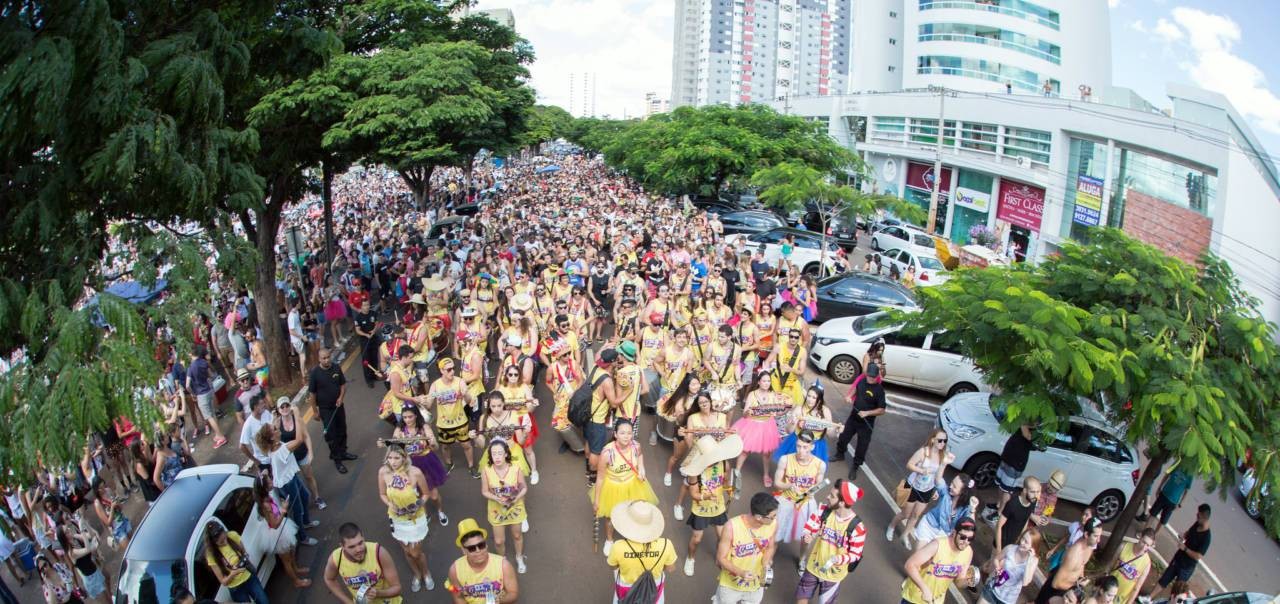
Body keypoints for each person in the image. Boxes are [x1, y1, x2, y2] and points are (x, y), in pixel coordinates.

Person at [679, 433, 744, 577]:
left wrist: (729, 490)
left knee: (723, 537)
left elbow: (726, 481)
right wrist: (705, 496)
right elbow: (693, 494)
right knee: (697, 539)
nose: (714, 460)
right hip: (701, 509)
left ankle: (720, 559)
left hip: (718, 507)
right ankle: (690, 558)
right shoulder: (694, 471)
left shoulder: (724, 464)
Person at [796, 479, 866, 604]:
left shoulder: (858, 528)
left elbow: (855, 555)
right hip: (813, 566)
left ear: (842, 502)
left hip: (834, 575)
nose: (827, 497)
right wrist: (808, 534)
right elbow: (810, 526)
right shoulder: (823, 510)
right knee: (801, 597)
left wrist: (839, 559)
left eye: (832, 496)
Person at [377, 444, 434, 592]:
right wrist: (390, 504)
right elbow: (382, 494)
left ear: (404, 457)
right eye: (390, 458)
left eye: (397, 457)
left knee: (416, 552)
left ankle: (426, 573)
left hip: (416, 518)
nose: (393, 461)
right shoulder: (383, 472)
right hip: (397, 519)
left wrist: (418, 504)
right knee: (407, 551)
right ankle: (417, 574)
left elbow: (426, 493)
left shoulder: (415, 472)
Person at [887, 429, 953, 549]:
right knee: (906, 514)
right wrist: (921, 470)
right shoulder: (923, 452)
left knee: (916, 515)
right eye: (940, 440)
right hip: (913, 486)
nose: (942, 443)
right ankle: (891, 526)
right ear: (933, 440)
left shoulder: (942, 456)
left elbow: (940, 475)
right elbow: (909, 464)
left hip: (928, 489)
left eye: (945, 441)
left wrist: (937, 490)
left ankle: (905, 535)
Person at [256, 423, 319, 547]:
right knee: (297, 509)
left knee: (305, 496)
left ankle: (306, 522)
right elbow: (300, 439)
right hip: (287, 482)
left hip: (291, 477)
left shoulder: (275, 445)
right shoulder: (280, 450)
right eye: (275, 429)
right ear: (272, 437)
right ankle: (303, 537)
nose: (278, 429)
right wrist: (295, 412)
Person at [714, 492, 778, 604]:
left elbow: (770, 547)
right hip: (730, 586)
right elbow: (721, 558)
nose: (774, 519)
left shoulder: (773, 524)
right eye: (772, 517)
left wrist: (766, 564)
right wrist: (740, 572)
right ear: (758, 517)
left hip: (755, 585)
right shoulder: (731, 526)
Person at [607, 500, 678, 603]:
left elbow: (612, 566)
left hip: (625, 589)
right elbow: (671, 568)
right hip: (654, 588)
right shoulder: (666, 544)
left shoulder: (618, 547)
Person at [772, 432, 828, 558]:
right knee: (775, 534)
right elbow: (777, 483)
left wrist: (809, 492)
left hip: (806, 503)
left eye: (805, 447)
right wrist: (790, 486)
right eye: (798, 446)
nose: (800, 450)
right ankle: (768, 561)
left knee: (807, 536)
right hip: (786, 499)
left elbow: (818, 486)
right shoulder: (785, 459)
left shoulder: (820, 465)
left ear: (812, 447)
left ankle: (802, 559)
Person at [901, 518, 981, 604]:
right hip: (916, 597)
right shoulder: (937, 545)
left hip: (936, 600)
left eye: (970, 539)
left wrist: (967, 581)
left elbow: (959, 582)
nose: (966, 542)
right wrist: (924, 589)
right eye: (963, 537)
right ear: (954, 533)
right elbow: (910, 565)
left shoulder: (968, 552)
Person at [394, 404, 450, 526]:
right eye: (404, 417)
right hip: (410, 465)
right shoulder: (399, 430)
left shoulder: (424, 427)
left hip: (426, 462)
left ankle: (440, 511)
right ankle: (424, 514)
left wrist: (432, 442)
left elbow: (435, 447)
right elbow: (394, 448)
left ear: (416, 416)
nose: (407, 420)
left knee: (434, 495)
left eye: (410, 417)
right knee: (417, 495)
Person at [480, 440, 529, 574]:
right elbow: (484, 491)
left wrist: (515, 498)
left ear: (506, 453)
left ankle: (519, 557)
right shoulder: (486, 471)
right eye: (494, 453)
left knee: (517, 535)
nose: (497, 457)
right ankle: (502, 560)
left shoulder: (516, 468)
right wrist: (497, 498)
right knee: (499, 541)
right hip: (496, 510)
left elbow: (524, 487)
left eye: (500, 453)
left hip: (515, 508)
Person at [250, 477, 309, 588]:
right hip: (277, 533)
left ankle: (296, 568)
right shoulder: (265, 505)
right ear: (264, 487)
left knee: (291, 550)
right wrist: (284, 510)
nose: (272, 482)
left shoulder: (267, 496)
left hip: (283, 528)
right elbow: (274, 525)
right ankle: (296, 581)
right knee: (286, 560)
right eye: (269, 482)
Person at [831, 362, 886, 480]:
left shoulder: (879, 390)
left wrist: (867, 413)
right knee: (843, 437)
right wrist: (849, 396)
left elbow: (882, 410)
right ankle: (840, 454)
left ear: (876, 376)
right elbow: (856, 390)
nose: (870, 378)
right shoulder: (862, 381)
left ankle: (855, 466)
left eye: (872, 377)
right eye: (868, 375)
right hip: (853, 417)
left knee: (862, 446)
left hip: (866, 423)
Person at [323, 522, 403, 604]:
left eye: (360, 543)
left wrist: (378, 593)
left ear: (363, 538)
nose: (359, 550)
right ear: (342, 546)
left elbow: (397, 588)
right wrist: (348, 602)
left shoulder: (379, 553)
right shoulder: (335, 559)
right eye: (352, 547)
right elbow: (329, 579)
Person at [1145, 504, 1211, 602]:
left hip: (1186, 567)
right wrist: (1184, 535)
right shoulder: (1197, 524)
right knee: (1165, 578)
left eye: (1199, 515)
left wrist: (1185, 549)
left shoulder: (1206, 537)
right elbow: (1189, 532)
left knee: (1178, 589)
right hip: (1178, 558)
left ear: (1205, 518)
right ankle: (1149, 597)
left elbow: (1198, 556)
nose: (1196, 516)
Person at [732, 371, 787, 488]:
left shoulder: (773, 395)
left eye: (768, 381)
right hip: (752, 424)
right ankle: (737, 471)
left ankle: (766, 475)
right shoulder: (752, 394)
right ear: (759, 382)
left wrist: (783, 409)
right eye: (764, 381)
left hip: (767, 426)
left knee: (767, 454)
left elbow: (779, 412)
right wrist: (749, 411)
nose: (767, 383)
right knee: (745, 450)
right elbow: (745, 414)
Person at [308, 348, 358, 473]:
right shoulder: (314, 373)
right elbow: (312, 395)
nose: (326, 360)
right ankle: (337, 459)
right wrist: (315, 411)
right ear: (319, 359)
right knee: (331, 435)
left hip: (338, 406)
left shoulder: (336, 367)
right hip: (325, 410)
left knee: (342, 430)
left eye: (328, 357)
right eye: (323, 358)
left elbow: (342, 385)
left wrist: (341, 397)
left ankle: (343, 452)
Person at [446, 518, 519, 603]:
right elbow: (458, 597)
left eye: (481, 545)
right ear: (463, 550)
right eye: (472, 548)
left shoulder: (504, 565)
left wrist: (497, 601)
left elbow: (513, 593)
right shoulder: (455, 570)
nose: (478, 550)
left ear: (486, 545)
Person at [428, 357, 478, 477]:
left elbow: (469, 400)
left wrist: (466, 395)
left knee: (466, 445)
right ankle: (449, 464)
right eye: (449, 370)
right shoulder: (435, 386)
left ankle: (471, 466)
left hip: (460, 421)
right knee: (445, 446)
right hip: (443, 423)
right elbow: (429, 405)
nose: (452, 372)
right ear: (442, 371)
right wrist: (423, 400)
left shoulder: (460, 382)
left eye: (453, 369)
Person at [1036, 517, 1102, 604]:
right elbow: (1055, 584)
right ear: (1086, 535)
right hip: (1054, 592)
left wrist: (1081, 578)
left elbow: (1082, 564)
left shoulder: (1090, 547)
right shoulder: (1074, 554)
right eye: (1096, 536)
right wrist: (1076, 586)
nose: (1099, 540)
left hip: (1067, 592)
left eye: (1100, 536)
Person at [275, 399, 325, 510]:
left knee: (308, 476)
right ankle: (301, 502)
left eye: (286, 405)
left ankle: (317, 497)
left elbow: (306, 436)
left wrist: (310, 452)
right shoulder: (277, 423)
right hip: (288, 458)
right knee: (294, 480)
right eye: (281, 407)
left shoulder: (297, 419)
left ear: (290, 406)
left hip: (301, 453)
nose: (284, 409)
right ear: (278, 410)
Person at [981, 422, 1036, 525]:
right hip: (1007, 457)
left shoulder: (1030, 427)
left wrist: (1023, 422)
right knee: (1000, 485)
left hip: (1016, 464)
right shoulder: (1023, 423)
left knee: (1007, 490)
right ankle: (998, 504)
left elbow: (1027, 435)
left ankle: (1000, 512)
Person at [202, 522, 269, 604]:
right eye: (222, 542)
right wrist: (233, 573)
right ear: (213, 542)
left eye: (225, 538)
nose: (225, 542)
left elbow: (244, 553)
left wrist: (244, 559)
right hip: (236, 588)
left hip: (249, 578)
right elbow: (223, 581)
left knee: (264, 601)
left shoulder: (232, 535)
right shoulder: (211, 555)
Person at [977, 525, 1041, 604]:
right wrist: (998, 567)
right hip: (993, 589)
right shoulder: (1010, 548)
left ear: (1032, 547)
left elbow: (1025, 582)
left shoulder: (1034, 561)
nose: (1022, 542)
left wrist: (1029, 562)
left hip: (1008, 600)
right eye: (1023, 538)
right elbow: (996, 559)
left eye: (1026, 542)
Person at [913, 472, 978, 547]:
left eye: (954, 486)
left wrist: (973, 508)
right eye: (952, 483)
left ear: (962, 492)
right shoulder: (946, 492)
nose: (950, 486)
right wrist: (944, 463)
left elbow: (970, 526)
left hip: (943, 537)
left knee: (930, 558)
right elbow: (938, 480)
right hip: (928, 525)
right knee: (919, 554)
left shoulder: (966, 508)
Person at [186, 345, 228, 448]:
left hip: (201, 394)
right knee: (212, 414)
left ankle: (221, 437)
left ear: (192, 354)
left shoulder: (191, 368)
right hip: (209, 390)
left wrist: (192, 393)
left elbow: (187, 385)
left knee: (208, 416)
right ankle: (218, 434)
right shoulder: (204, 362)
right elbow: (211, 375)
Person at [994, 476, 1045, 559]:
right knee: (994, 566)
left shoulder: (1032, 502)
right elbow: (999, 526)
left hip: (1014, 543)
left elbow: (1026, 520)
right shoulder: (1012, 504)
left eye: (1037, 492)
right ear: (1025, 491)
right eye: (1032, 492)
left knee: (997, 566)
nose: (1035, 495)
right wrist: (999, 550)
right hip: (1002, 541)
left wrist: (1021, 539)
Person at [1110, 528, 1155, 604]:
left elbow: (1137, 588)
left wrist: (1129, 602)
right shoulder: (1124, 546)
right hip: (1109, 588)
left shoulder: (1147, 563)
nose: (1144, 547)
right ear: (1140, 537)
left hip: (1121, 599)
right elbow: (1111, 565)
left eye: (1148, 545)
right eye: (1144, 542)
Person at [1140, 466, 1193, 530]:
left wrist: (1180, 504)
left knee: (1162, 522)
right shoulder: (1178, 464)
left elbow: (1186, 491)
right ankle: (1144, 532)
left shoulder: (1190, 475)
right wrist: (1159, 487)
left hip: (1173, 502)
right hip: (1164, 494)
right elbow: (1167, 475)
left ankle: (1154, 537)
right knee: (1152, 514)